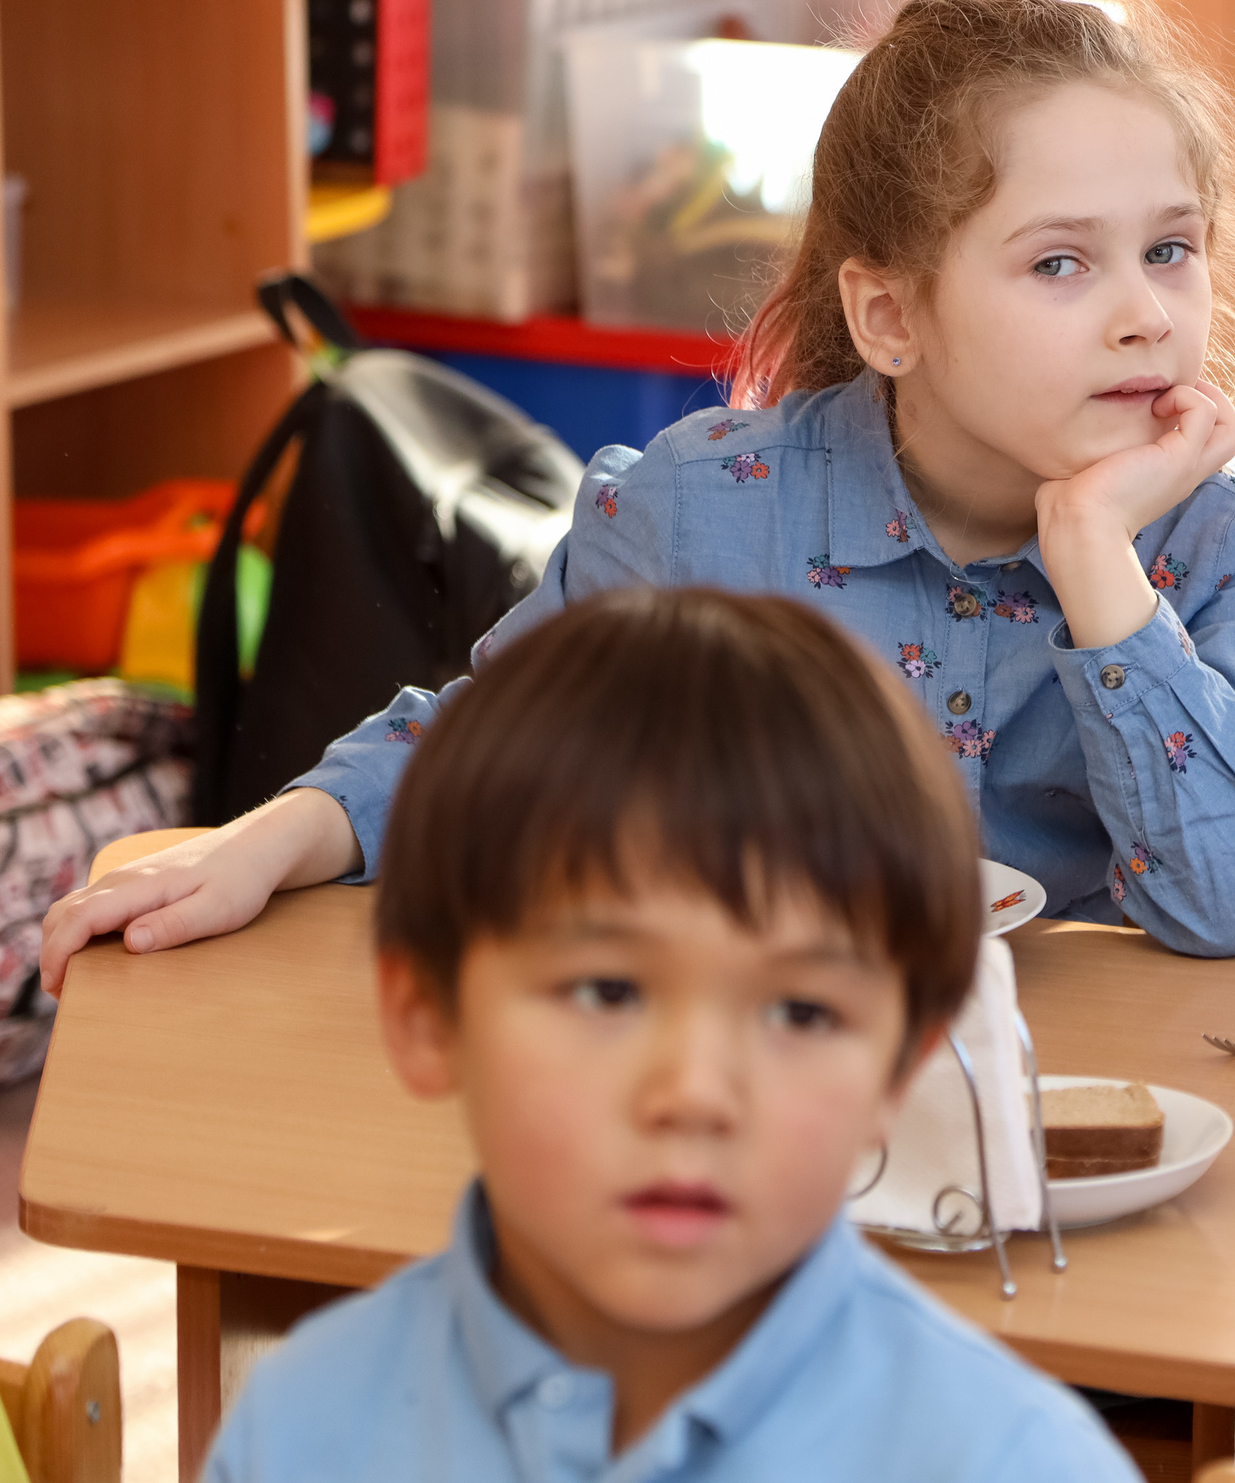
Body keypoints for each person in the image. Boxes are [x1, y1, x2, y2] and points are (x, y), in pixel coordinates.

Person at [39, 0, 1235, 988]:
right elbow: (492, 746)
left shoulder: (1215, 532)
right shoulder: (709, 514)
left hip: (1090, 1130)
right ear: (890, 314)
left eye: (1171, 250)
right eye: (1060, 264)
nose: (1143, 316)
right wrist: (262, 841)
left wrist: (1096, 554)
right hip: (752, 1097)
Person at [200, 588, 1139, 1480]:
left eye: (800, 1012)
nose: (694, 1091)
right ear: (426, 1015)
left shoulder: (1014, 1461)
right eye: (609, 991)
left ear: (907, 1063)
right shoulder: (300, 1432)